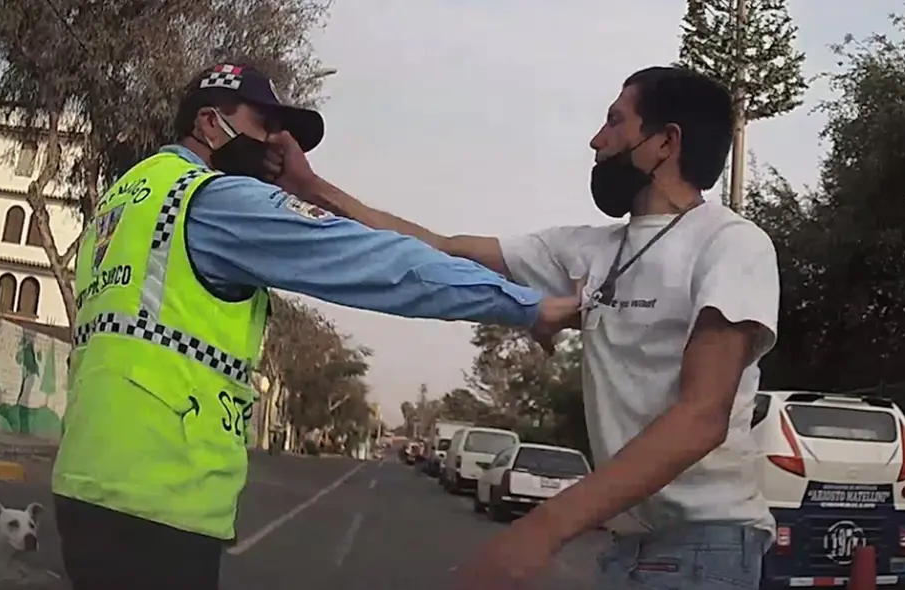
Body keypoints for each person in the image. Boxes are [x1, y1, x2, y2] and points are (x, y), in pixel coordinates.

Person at [52, 62, 578, 590]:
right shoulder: (214, 201)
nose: (275, 146)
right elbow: (375, 263)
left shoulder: (130, 195)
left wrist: (307, 186)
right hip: (159, 494)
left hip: (87, 481)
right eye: (264, 127)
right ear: (211, 124)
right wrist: (525, 306)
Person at [304, 66, 780, 589]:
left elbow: (702, 417)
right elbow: (441, 248)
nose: (597, 142)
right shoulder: (589, 251)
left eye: (615, 123)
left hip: (706, 545)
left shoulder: (732, 245)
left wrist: (543, 528)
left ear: (665, 142)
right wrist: (312, 187)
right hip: (627, 548)